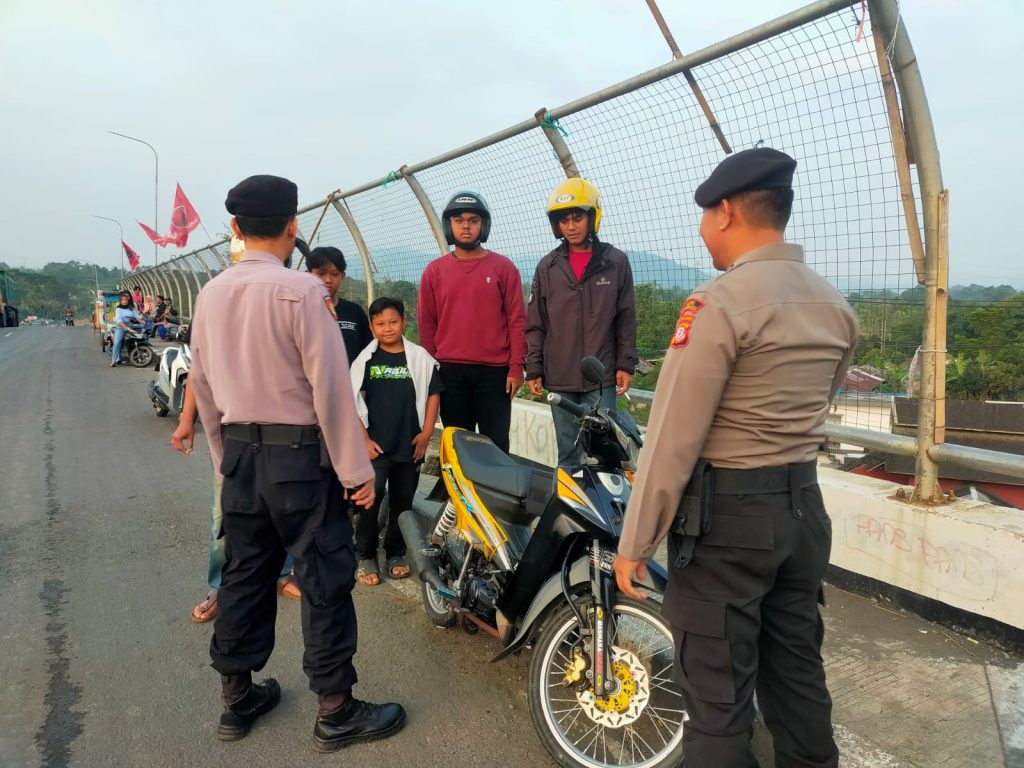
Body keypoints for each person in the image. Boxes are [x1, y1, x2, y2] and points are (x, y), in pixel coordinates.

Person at [612, 148, 858, 768]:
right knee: (798, 680)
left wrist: (635, 540)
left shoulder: (718, 305)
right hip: (803, 512)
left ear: (725, 212)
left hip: (726, 525)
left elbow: (672, 438)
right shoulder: (836, 306)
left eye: (703, 218)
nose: (702, 233)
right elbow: (821, 407)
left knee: (717, 703)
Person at [187, 174, 405, 749]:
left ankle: (237, 700)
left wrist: (223, 459)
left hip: (239, 456)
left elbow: (203, 389)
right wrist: (356, 472)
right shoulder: (305, 293)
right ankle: (336, 709)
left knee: (244, 574)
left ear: (235, 229)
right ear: (292, 228)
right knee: (323, 577)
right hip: (299, 462)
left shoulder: (210, 295)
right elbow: (331, 388)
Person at [171, 356, 301, 625]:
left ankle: (282, 573)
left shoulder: (281, 317)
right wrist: (186, 420)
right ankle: (221, 586)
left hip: (279, 435)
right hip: (231, 439)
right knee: (223, 514)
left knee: (282, 508)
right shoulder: (218, 316)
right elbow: (199, 371)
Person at [525, 177, 638, 465]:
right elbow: (536, 322)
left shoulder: (615, 262)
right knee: (568, 453)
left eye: (577, 218)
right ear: (556, 225)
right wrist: (534, 367)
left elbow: (626, 316)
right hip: (560, 376)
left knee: (605, 452)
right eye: (564, 220)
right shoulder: (547, 267)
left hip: (601, 378)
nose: (571, 226)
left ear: (592, 217)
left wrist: (626, 363)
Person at [417, 190, 526, 454]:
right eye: (459, 220)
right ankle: (457, 496)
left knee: (496, 445)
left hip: (495, 373)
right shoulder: (434, 270)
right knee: (457, 446)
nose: (466, 226)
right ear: (449, 225)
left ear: (483, 225)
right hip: (450, 371)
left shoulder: (503, 268)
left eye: (473, 220)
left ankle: (496, 495)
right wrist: (432, 370)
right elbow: (427, 324)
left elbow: (517, 321)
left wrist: (515, 368)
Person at [349, 297, 442, 585]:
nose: (387, 329)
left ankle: (395, 553)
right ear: (371, 326)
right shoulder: (365, 361)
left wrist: (426, 434)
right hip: (376, 446)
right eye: (380, 324)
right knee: (370, 498)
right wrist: (363, 440)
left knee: (403, 502)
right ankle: (365, 554)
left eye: (393, 322)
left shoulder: (419, 358)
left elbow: (432, 395)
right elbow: (353, 402)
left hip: (409, 444)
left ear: (403, 322)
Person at [306, 246, 372, 365]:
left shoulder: (355, 312)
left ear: (342, 276)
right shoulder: (299, 311)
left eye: (334, 274)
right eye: (321, 273)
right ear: (308, 274)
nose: (328, 280)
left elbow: (368, 351)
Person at [110, 290, 139, 366]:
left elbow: (138, 317)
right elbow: (119, 320)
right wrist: (125, 327)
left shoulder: (132, 308)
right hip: (121, 327)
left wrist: (144, 321)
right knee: (117, 342)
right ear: (120, 300)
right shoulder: (118, 309)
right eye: (123, 299)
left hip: (131, 326)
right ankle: (113, 360)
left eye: (126, 298)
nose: (125, 300)